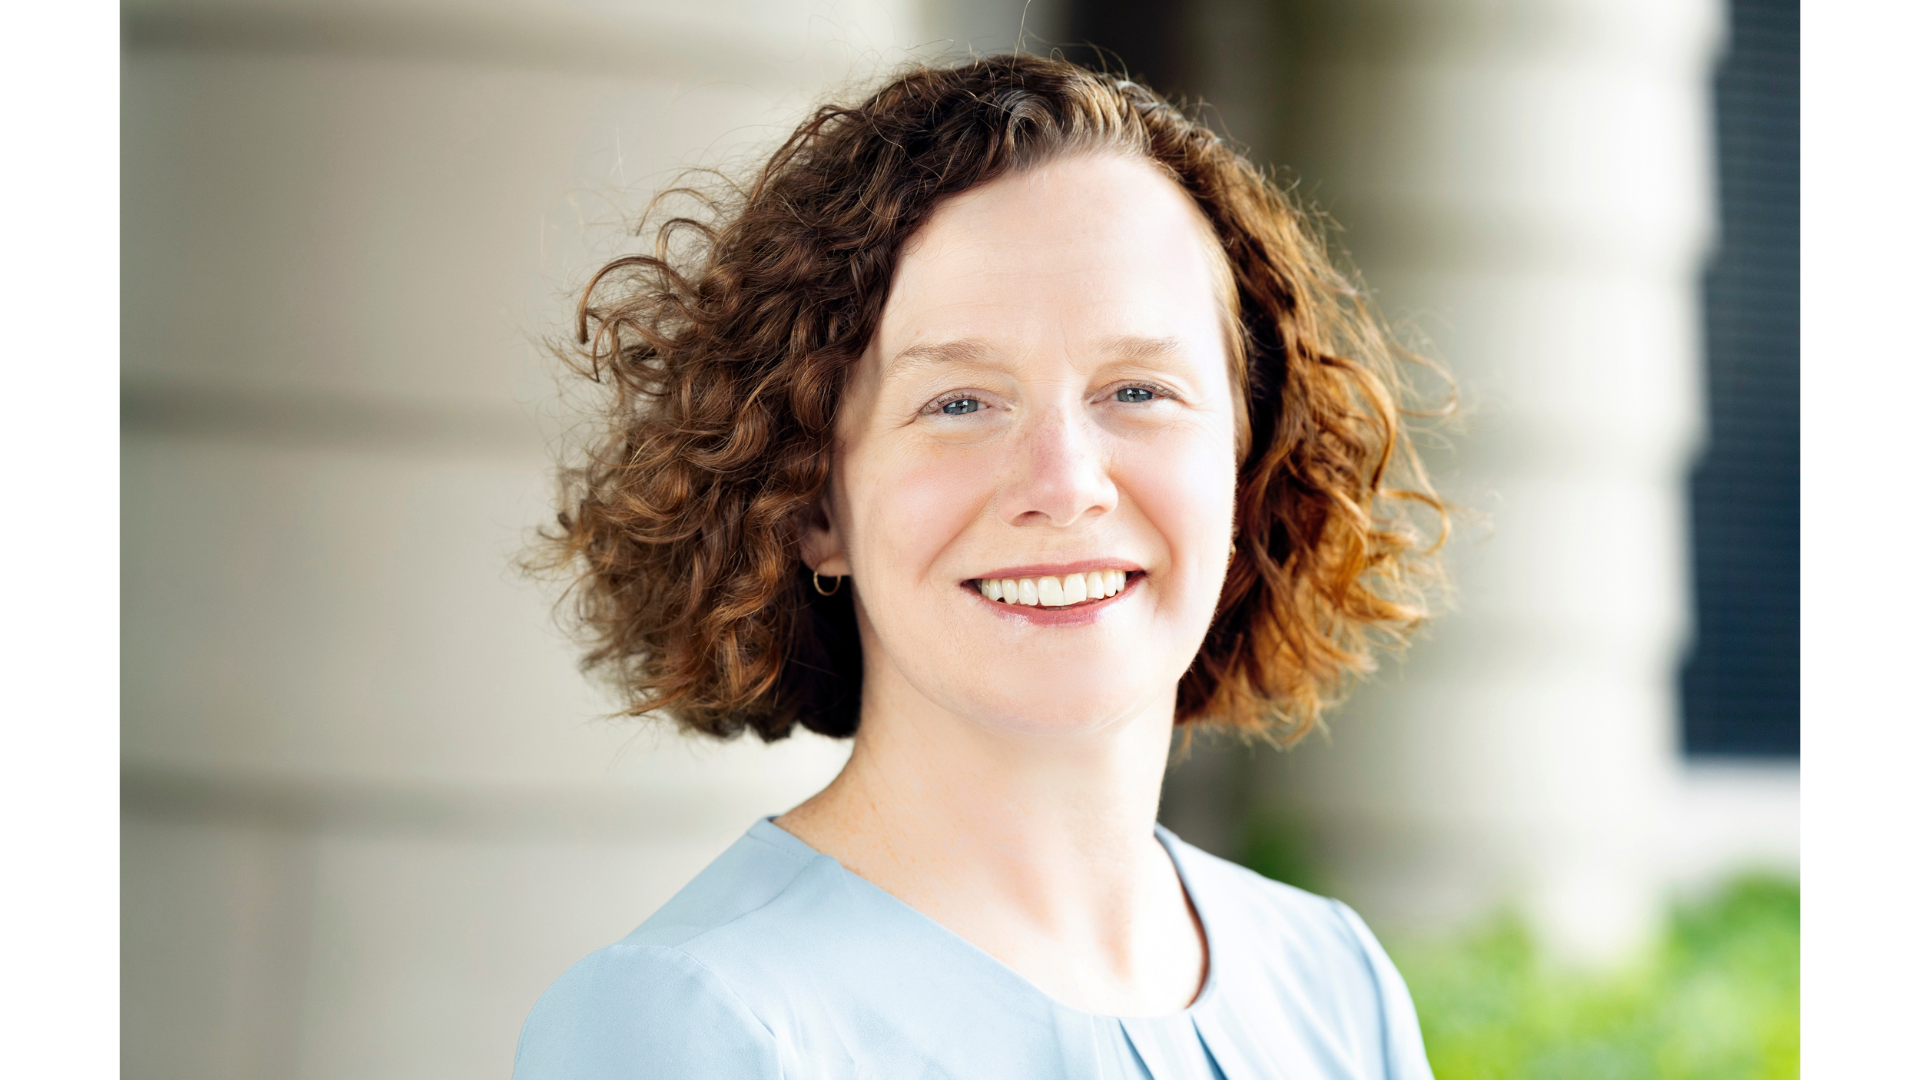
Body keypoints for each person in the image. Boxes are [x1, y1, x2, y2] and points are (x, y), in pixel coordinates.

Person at [515, 54, 1445, 1079]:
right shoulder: (696, 1023)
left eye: (1138, 390)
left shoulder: (1333, 985)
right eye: (959, 402)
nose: (1066, 481)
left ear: (1245, 460)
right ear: (812, 502)